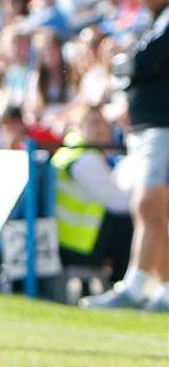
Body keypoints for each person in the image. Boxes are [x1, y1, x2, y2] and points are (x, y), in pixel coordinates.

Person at [83, 0, 169, 311]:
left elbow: (137, 61)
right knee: (154, 210)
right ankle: (163, 288)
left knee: (147, 204)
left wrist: (124, 65)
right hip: (147, 128)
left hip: (162, 126)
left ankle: (135, 286)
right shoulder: (151, 20)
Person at [53, 109, 134, 285]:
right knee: (134, 221)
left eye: (103, 123)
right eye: (93, 123)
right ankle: (122, 285)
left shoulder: (74, 151)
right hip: (77, 245)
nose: (101, 129)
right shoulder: (85, 158)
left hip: (69, 241)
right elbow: (120, 203)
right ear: (78, 127)